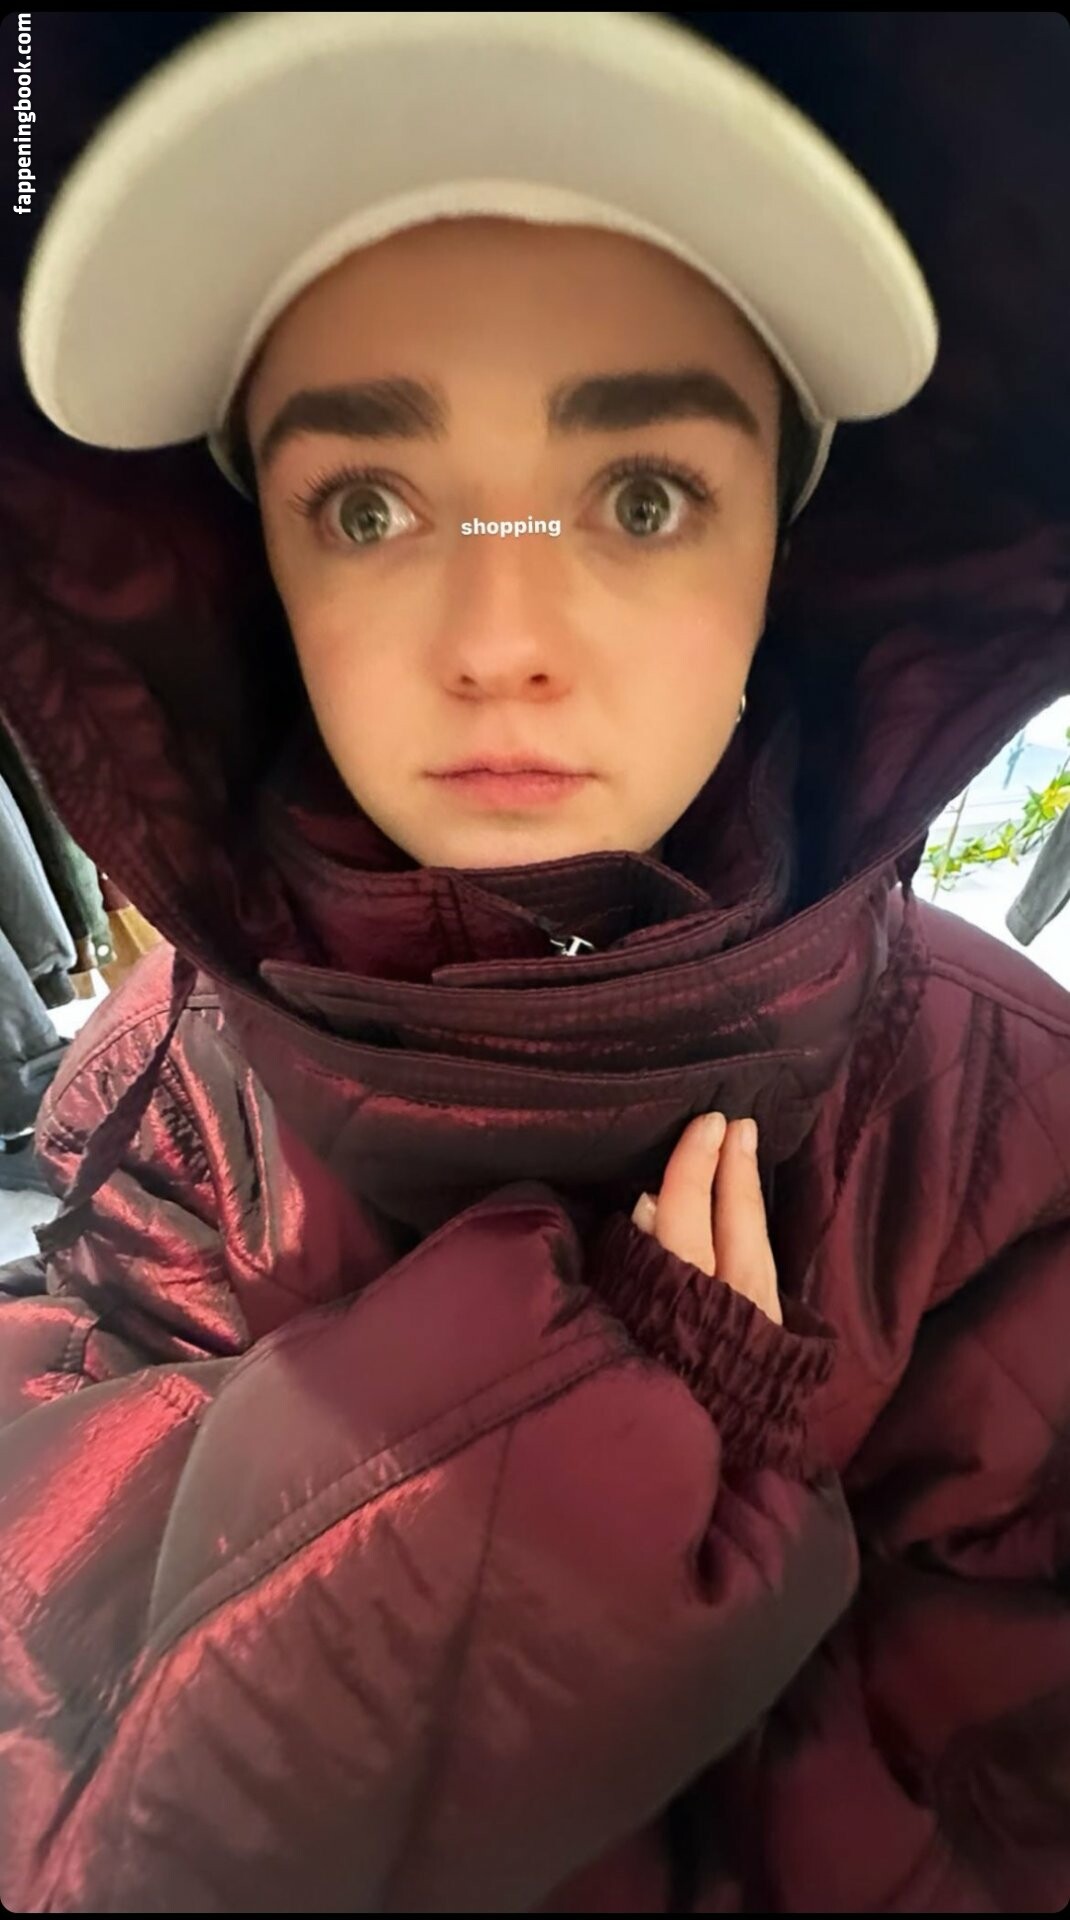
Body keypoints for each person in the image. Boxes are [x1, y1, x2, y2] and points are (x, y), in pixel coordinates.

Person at [1, 12, 1068, 1913]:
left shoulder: (1006, 1138)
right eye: (369, 505)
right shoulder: (160, 1116)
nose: (499, 637)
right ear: (262, 567)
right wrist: (583, 1471)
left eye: (639, 495)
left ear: (781, 545)